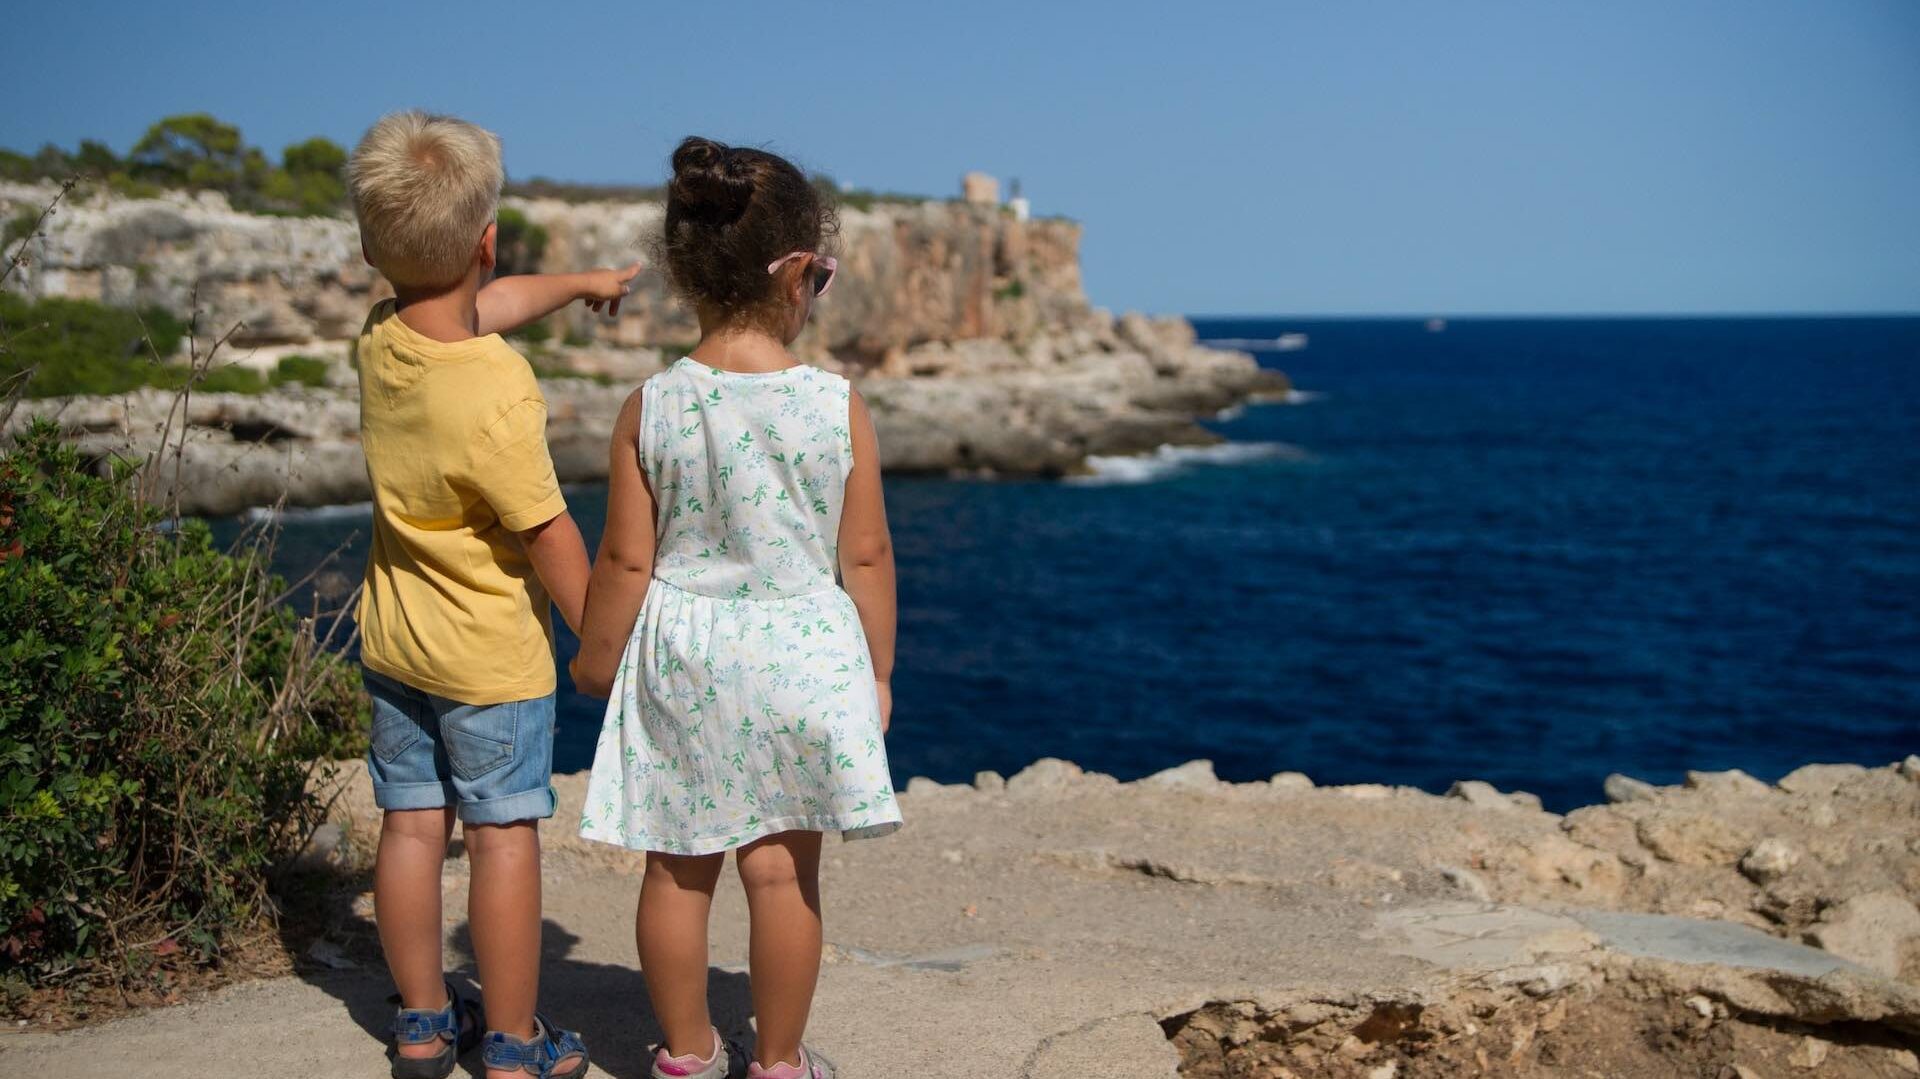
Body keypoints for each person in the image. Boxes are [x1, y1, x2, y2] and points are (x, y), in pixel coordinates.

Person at [570, 136, 903, 1079]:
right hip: (801, 649)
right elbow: (866, 553)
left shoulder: (652, 404)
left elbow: (626, 560)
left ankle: (686, 1052)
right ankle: (782, 1061)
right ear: (798, 271)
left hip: (687, 653)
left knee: (676, 868)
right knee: (782, 871)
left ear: (683, 270)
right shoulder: (837, 404)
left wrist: (597, 661)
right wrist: (876, 672)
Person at [348, 109, 638, 1079]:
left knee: (411, 824)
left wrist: (583, 285)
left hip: (395, 648)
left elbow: (484, 302)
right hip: (490, 663)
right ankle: (515, 1040)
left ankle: (426, 1022)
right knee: (504, 836)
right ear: (486, 238)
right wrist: (602, 644)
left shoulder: (380, 338)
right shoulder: (498, 389)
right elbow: (548, 530)